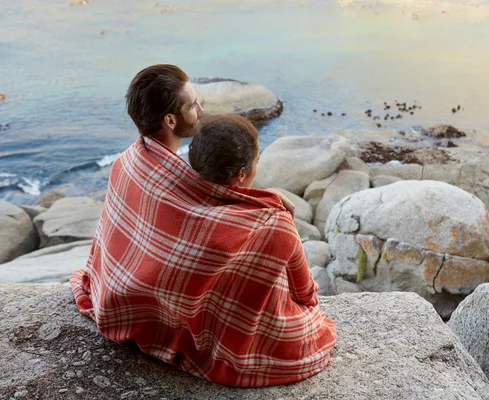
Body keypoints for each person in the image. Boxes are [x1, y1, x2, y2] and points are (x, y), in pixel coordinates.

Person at [70, 65, 336, 387]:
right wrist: (265, 204)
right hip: (188, 330)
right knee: (310, 327)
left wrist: (258, 198)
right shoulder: (266, 223)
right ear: (170, 120)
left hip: (119, 300)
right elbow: (306, 296)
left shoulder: (128, 162)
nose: (201, 110)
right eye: (193, 105)